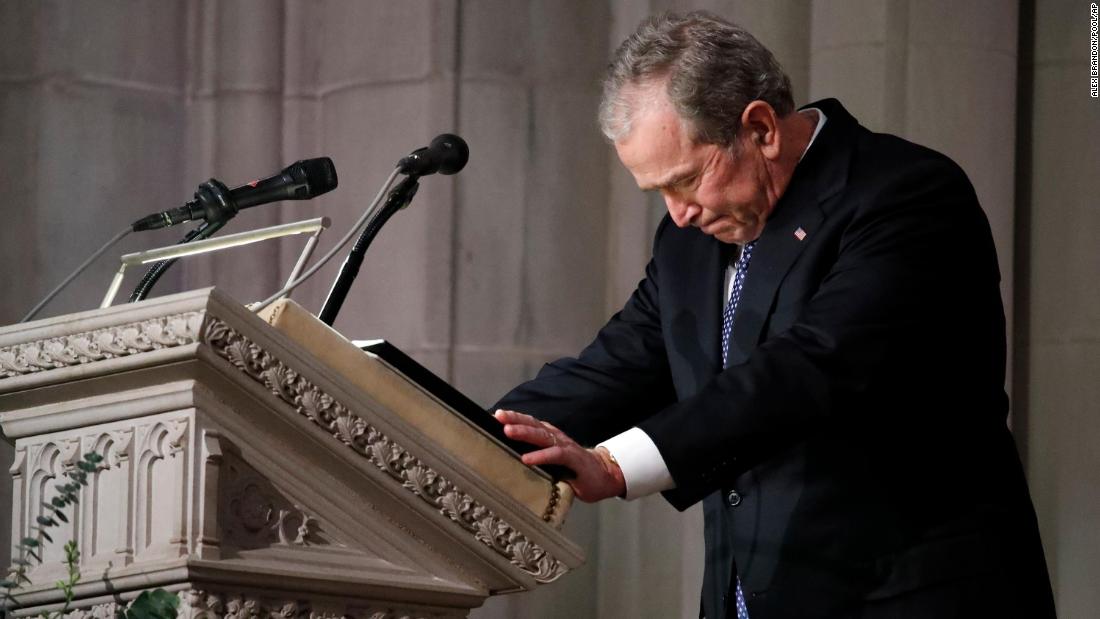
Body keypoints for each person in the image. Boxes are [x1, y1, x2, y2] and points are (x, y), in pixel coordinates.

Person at [491, 11, 1055, 619]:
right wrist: (467, 438)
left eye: (685, 181)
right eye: (659, 193)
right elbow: (620, 362)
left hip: (910, 594)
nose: (677, 213)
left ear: (759, 128)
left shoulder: (906, 193)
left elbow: (811, 367)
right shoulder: (688, 239)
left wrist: (611, 465)